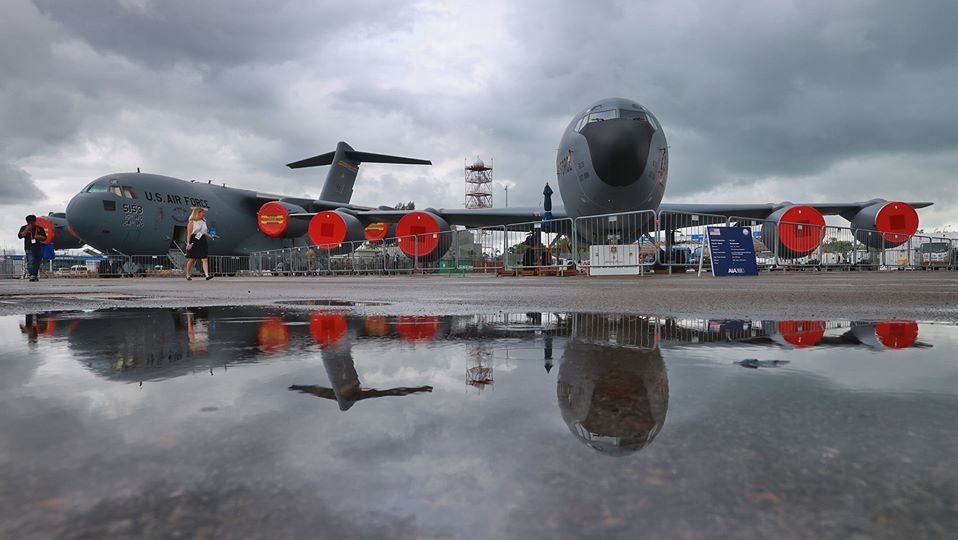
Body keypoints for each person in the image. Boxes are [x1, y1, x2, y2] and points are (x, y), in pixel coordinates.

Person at [184, 208, 216, 280]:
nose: (204, 214)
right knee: (192, 259)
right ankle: (188, 274)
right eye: (202, 213)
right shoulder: (191, 222)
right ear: (197, 213)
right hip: (194, 240)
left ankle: (207, 275)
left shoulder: (204, 222)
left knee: (204, 258)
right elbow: (189, 234)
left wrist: (211, 236)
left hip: (202, 240)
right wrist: (188, 243)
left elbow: (204, 232)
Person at [18, 215, 47, 282]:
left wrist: (39, 237)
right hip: (28, 247)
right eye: (29, 222)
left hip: (38, 247)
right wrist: (26, 229)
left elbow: (45, 238)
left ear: (35, 221)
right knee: (31, 261)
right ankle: (32, 275)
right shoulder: (23, 227)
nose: (30, 224)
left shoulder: (39, 228)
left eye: (32, 222)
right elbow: (20, 236)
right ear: (27, 222)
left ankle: (34, 275)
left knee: (37, 262)